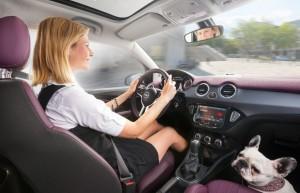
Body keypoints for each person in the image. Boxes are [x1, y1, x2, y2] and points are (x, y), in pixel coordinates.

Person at [32, 17, 187, 183]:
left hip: (94, 155)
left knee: (154, 124)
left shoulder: (50, 90)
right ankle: (192, 168)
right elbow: (134, 129)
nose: (91, 52)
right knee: (170, 133)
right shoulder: (70, 96)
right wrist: (164, 98)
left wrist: (127, 94)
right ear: (66, 49)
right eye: (86, 45)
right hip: (116, 167)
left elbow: (92, 112)